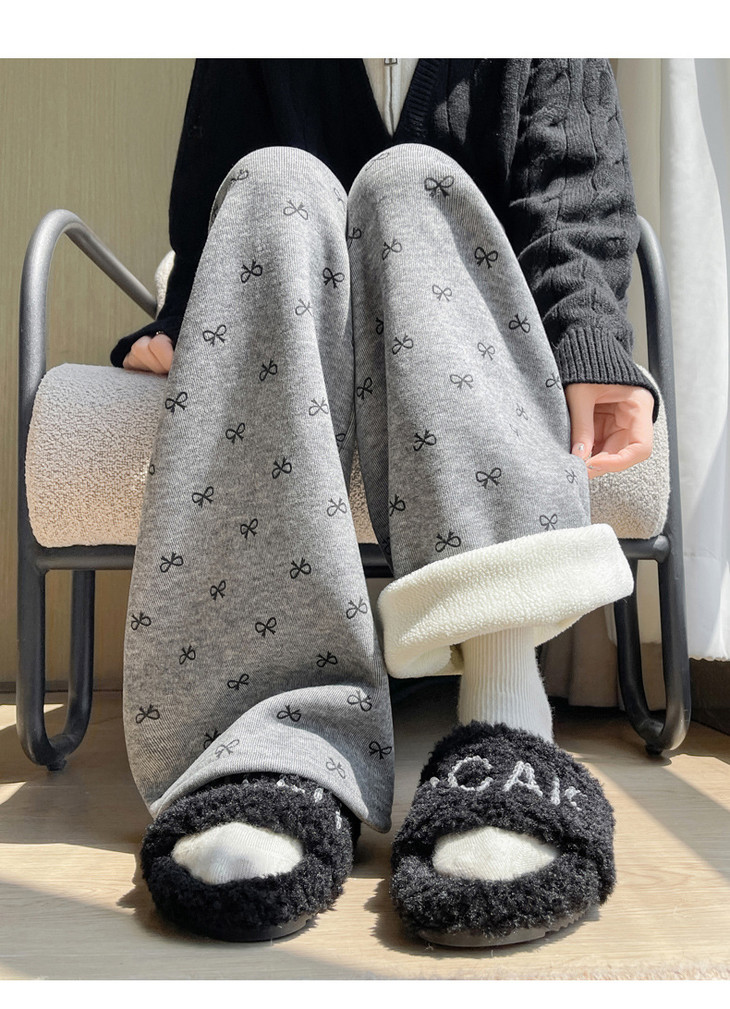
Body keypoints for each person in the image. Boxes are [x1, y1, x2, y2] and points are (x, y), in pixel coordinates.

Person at [110, 59, 658, 947]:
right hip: (304, 311)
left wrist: (590, 335)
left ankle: (505, 707)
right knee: (271, 179)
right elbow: (213, 183)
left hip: (473, 321)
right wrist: (183, 320)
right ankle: (267, 734)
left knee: (411, 181)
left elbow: (574, 187)